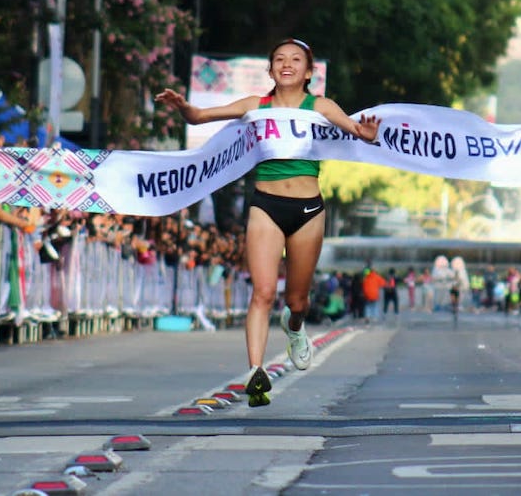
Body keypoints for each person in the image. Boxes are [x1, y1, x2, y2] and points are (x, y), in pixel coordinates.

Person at [156, 38, 379, 407]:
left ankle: (294, 329)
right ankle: (255, 371)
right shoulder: (254, 106)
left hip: (308, 209)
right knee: (262, 292)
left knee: (297, 299)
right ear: (271, 69)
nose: (286, 64)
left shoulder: (320, 106)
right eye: (279, 59)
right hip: (266, 206)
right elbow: (199, 117)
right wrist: (183, 107)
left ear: (309, 73)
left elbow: (356, 131)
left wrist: (366, 134)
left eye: (295, 60)